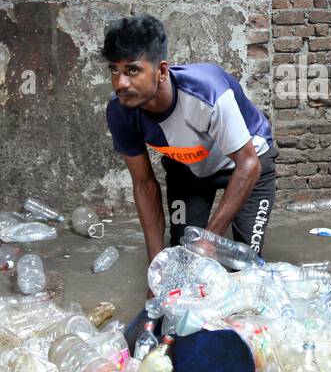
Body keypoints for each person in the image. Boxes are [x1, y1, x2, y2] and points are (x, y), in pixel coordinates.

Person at [103, 15, 277, 278]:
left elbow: (248, 164)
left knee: (243, 267)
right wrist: (155, 269)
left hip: (248, 163)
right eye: (114, 70)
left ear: (161, 71)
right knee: (182, 261)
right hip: (189, 169)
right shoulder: (121, 109)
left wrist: (210, 238)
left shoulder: (207, 92)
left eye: (132, 70)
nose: (121, 83)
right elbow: (144, 184)